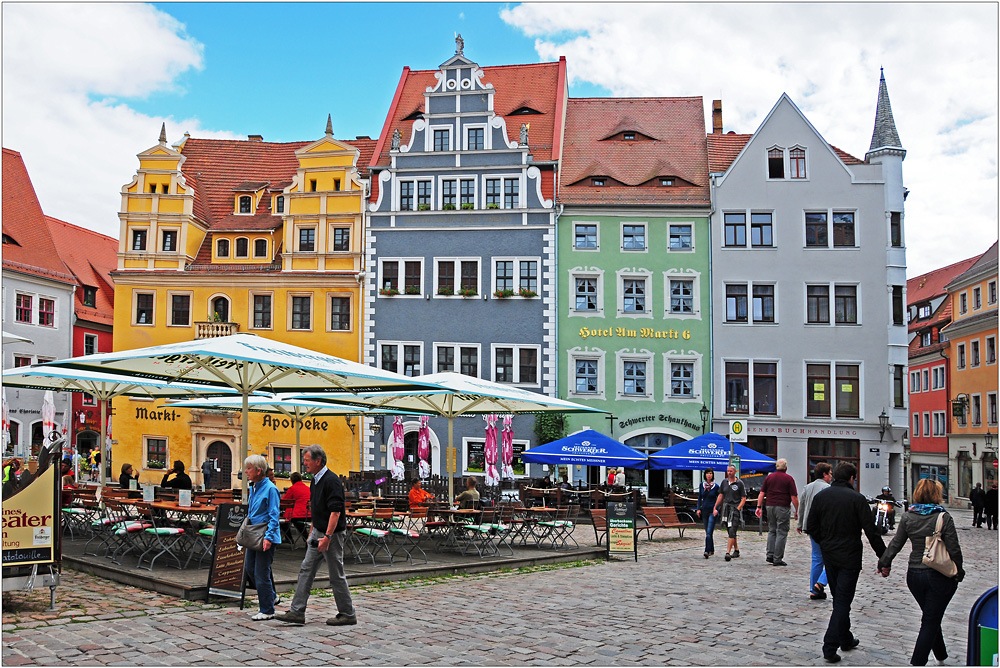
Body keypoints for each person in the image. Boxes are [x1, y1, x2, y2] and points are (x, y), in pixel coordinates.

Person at [876, 478, 963, 666]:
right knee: (931, 619)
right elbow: (954, 548)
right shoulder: (943, 517)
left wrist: (884, 562)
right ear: (936, 494)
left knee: (931, 614)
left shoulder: (909, 516)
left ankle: (940, 654)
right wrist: (958, 570)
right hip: (938, 574)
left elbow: (896, 544)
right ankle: (918, 662)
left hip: (914, 574)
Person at [806, 462, 886, 663]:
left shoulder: (821, 497)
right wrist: (884, 557)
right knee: (842, 601)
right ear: (852, 478)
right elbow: (871, 532)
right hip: (850, 556)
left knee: (840, 599)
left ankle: (845, 638)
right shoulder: (857, 499)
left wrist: (824, 542)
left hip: (830, 556)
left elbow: (811, 526)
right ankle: (829, 645)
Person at [275, 444, 356, 627]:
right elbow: (317, 509)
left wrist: (327, 537)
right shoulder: (314, 480)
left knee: (336, 573)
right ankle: (297, 612)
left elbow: (336, 512)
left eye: (307, 460)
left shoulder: (331, 480)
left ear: (318, 461)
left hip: (332, 533)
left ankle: (347, 613)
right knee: (306, 569)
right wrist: (312, 532)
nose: (304, 464)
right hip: (319, 530)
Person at [243, 454, 281, 621]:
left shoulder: (270, 489)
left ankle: (267, 609)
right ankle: (270, 596)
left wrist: (268, 537)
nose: (246, 471)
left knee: (261, 572)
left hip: (265, 535)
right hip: (254, 535)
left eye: (249, 468)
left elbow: (274, 515)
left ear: (259, 471)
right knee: (250, 569)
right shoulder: (254, 487)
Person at [798, 462, 833, 600]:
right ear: (824, 474)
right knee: (832, 558)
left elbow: (802, 506)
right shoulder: (828, 488)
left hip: (811, 527)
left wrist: (800, 523)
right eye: (830, 474)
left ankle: (814, 589)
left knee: (817, 558)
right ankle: (821, 583)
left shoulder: (807, 487)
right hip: (825, 528)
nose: (831, 476)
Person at [755, 458, 799, 566]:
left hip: (769, 506)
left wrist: (758, 506)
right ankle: (777, 558)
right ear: (786, 468)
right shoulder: (789, 479)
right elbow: (794, 497)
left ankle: (770, 554)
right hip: (782, 507)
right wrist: (797, 510)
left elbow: (761, 493)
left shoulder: (769, 478)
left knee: (772, 530)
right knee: (782, 532)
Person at [713, 464, 747, 562]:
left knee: (732, 530)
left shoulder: (739, 483)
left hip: (735, 509)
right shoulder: (724, 482)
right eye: (728, 471)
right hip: (726, 509)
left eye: (731, 471)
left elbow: (744, 498)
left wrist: (739, 508)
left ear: (735, 472)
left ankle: (727, 552)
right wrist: (715, 506)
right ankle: (736, 550)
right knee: (729, 530)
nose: (729, 473)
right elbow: (721, 495)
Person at [695, 468, 720, 559]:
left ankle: (706, 550)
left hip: (712, 511)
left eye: (711, 473)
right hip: (704, 510)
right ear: (705, 475)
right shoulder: (702, 485)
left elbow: (719, 498)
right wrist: (698, 509)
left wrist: (717, 509)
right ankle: (711, 549)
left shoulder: (716, 486)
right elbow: (700, 498)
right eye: (707, 473)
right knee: (707, 532)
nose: (709, 475)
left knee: (709, 531)